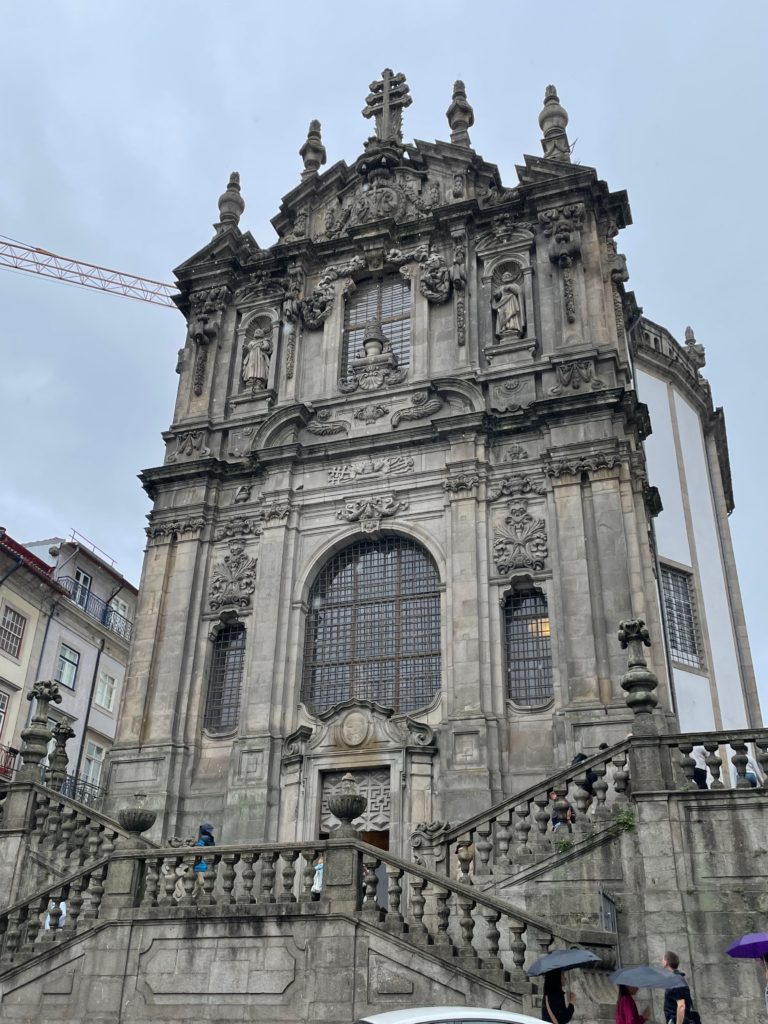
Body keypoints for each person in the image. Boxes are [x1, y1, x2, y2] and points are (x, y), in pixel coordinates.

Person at [662, 951, 694, 1024]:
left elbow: (681, 1006)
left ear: (666, 962)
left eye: (663, 959)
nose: (661, 961)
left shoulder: (675, 980)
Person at [194, 822, 216, 893]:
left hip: (202, 864)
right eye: (209, 830)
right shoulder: (205, 838)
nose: (211, 831)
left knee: (198, 885)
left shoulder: (204, 838)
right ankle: (205, 897)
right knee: (202, 883)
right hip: (202, 865)